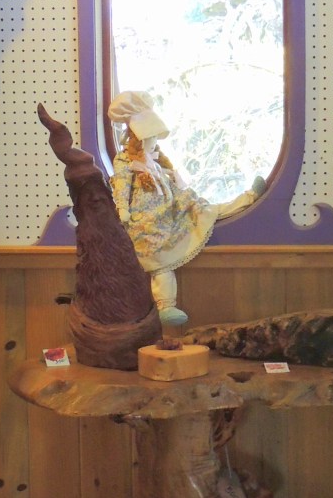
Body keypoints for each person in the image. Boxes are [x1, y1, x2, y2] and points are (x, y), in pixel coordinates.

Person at [108, 92, 262, 325]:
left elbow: (174, 186)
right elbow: (121, 184)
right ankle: (166, 307)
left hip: (170, 211)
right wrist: (123, 209)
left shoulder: (155, 162)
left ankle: (248, 198)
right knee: (159, 263)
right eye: (150, 136)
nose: (153, 141)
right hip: (147, 223)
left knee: (205, 209)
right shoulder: (125, 161)